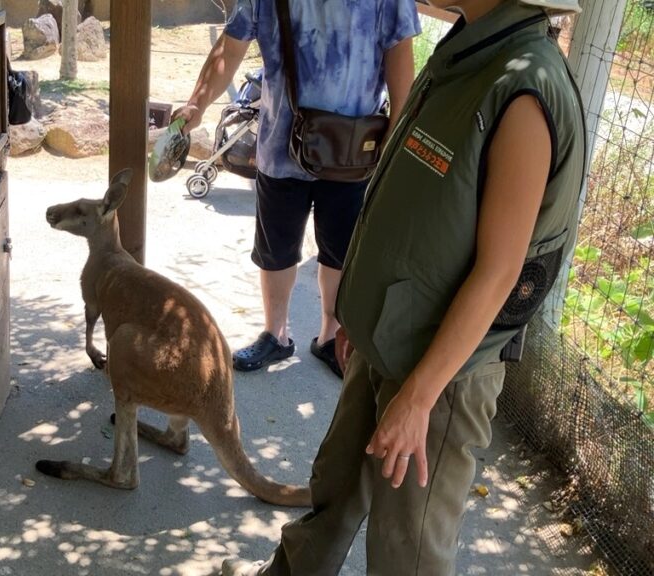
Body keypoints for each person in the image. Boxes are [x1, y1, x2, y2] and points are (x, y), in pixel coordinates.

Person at [221, 0, 586, 574]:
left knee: (405, 549)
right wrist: (361, 323)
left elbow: (499, 273)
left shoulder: (525, 88)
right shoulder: (468, 49)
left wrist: (417, 398)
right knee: (333, 492)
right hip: (387, 336)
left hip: (441, 375)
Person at [172, 0, 420, 377]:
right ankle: (276, 334)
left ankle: (330, 337)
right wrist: (196, 103)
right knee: (276, 248)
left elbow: (400, 55)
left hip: (353, 151)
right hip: (281, 148)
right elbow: (231, 46)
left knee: (340, 251)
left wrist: (397, 131)